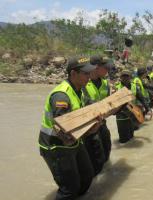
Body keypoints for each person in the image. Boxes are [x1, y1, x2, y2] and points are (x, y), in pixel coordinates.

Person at [39, 57, 98, 199]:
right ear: (73, 74)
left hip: (75, 142)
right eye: (85, 74)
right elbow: (63, 129)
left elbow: (90, 109)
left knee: (87, 176)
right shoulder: (61, 95)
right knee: (69, 189)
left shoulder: (81, 90)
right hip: (56, 146)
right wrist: (90, 129)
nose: (89, 77)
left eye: (90, 74)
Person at [82, 55, 112, 164]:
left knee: (107, 149)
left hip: (102, 123)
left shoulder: (105, 83)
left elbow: (108, 102)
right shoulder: (83, 83)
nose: (108, 71)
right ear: (96, 67)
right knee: (95, 157)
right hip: (89, 127)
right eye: (106, 68)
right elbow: (84, 103)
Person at [114, 70, 136, 143]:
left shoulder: (134, 86)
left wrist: (147, 108)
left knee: (131, 137)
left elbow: (140, 96)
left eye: (127, 76)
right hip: (121, 115)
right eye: (123, 76)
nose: (125, 78)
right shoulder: (116, 87)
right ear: (120, 77)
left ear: (130, 77)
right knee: (123, 140)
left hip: (132, 114)